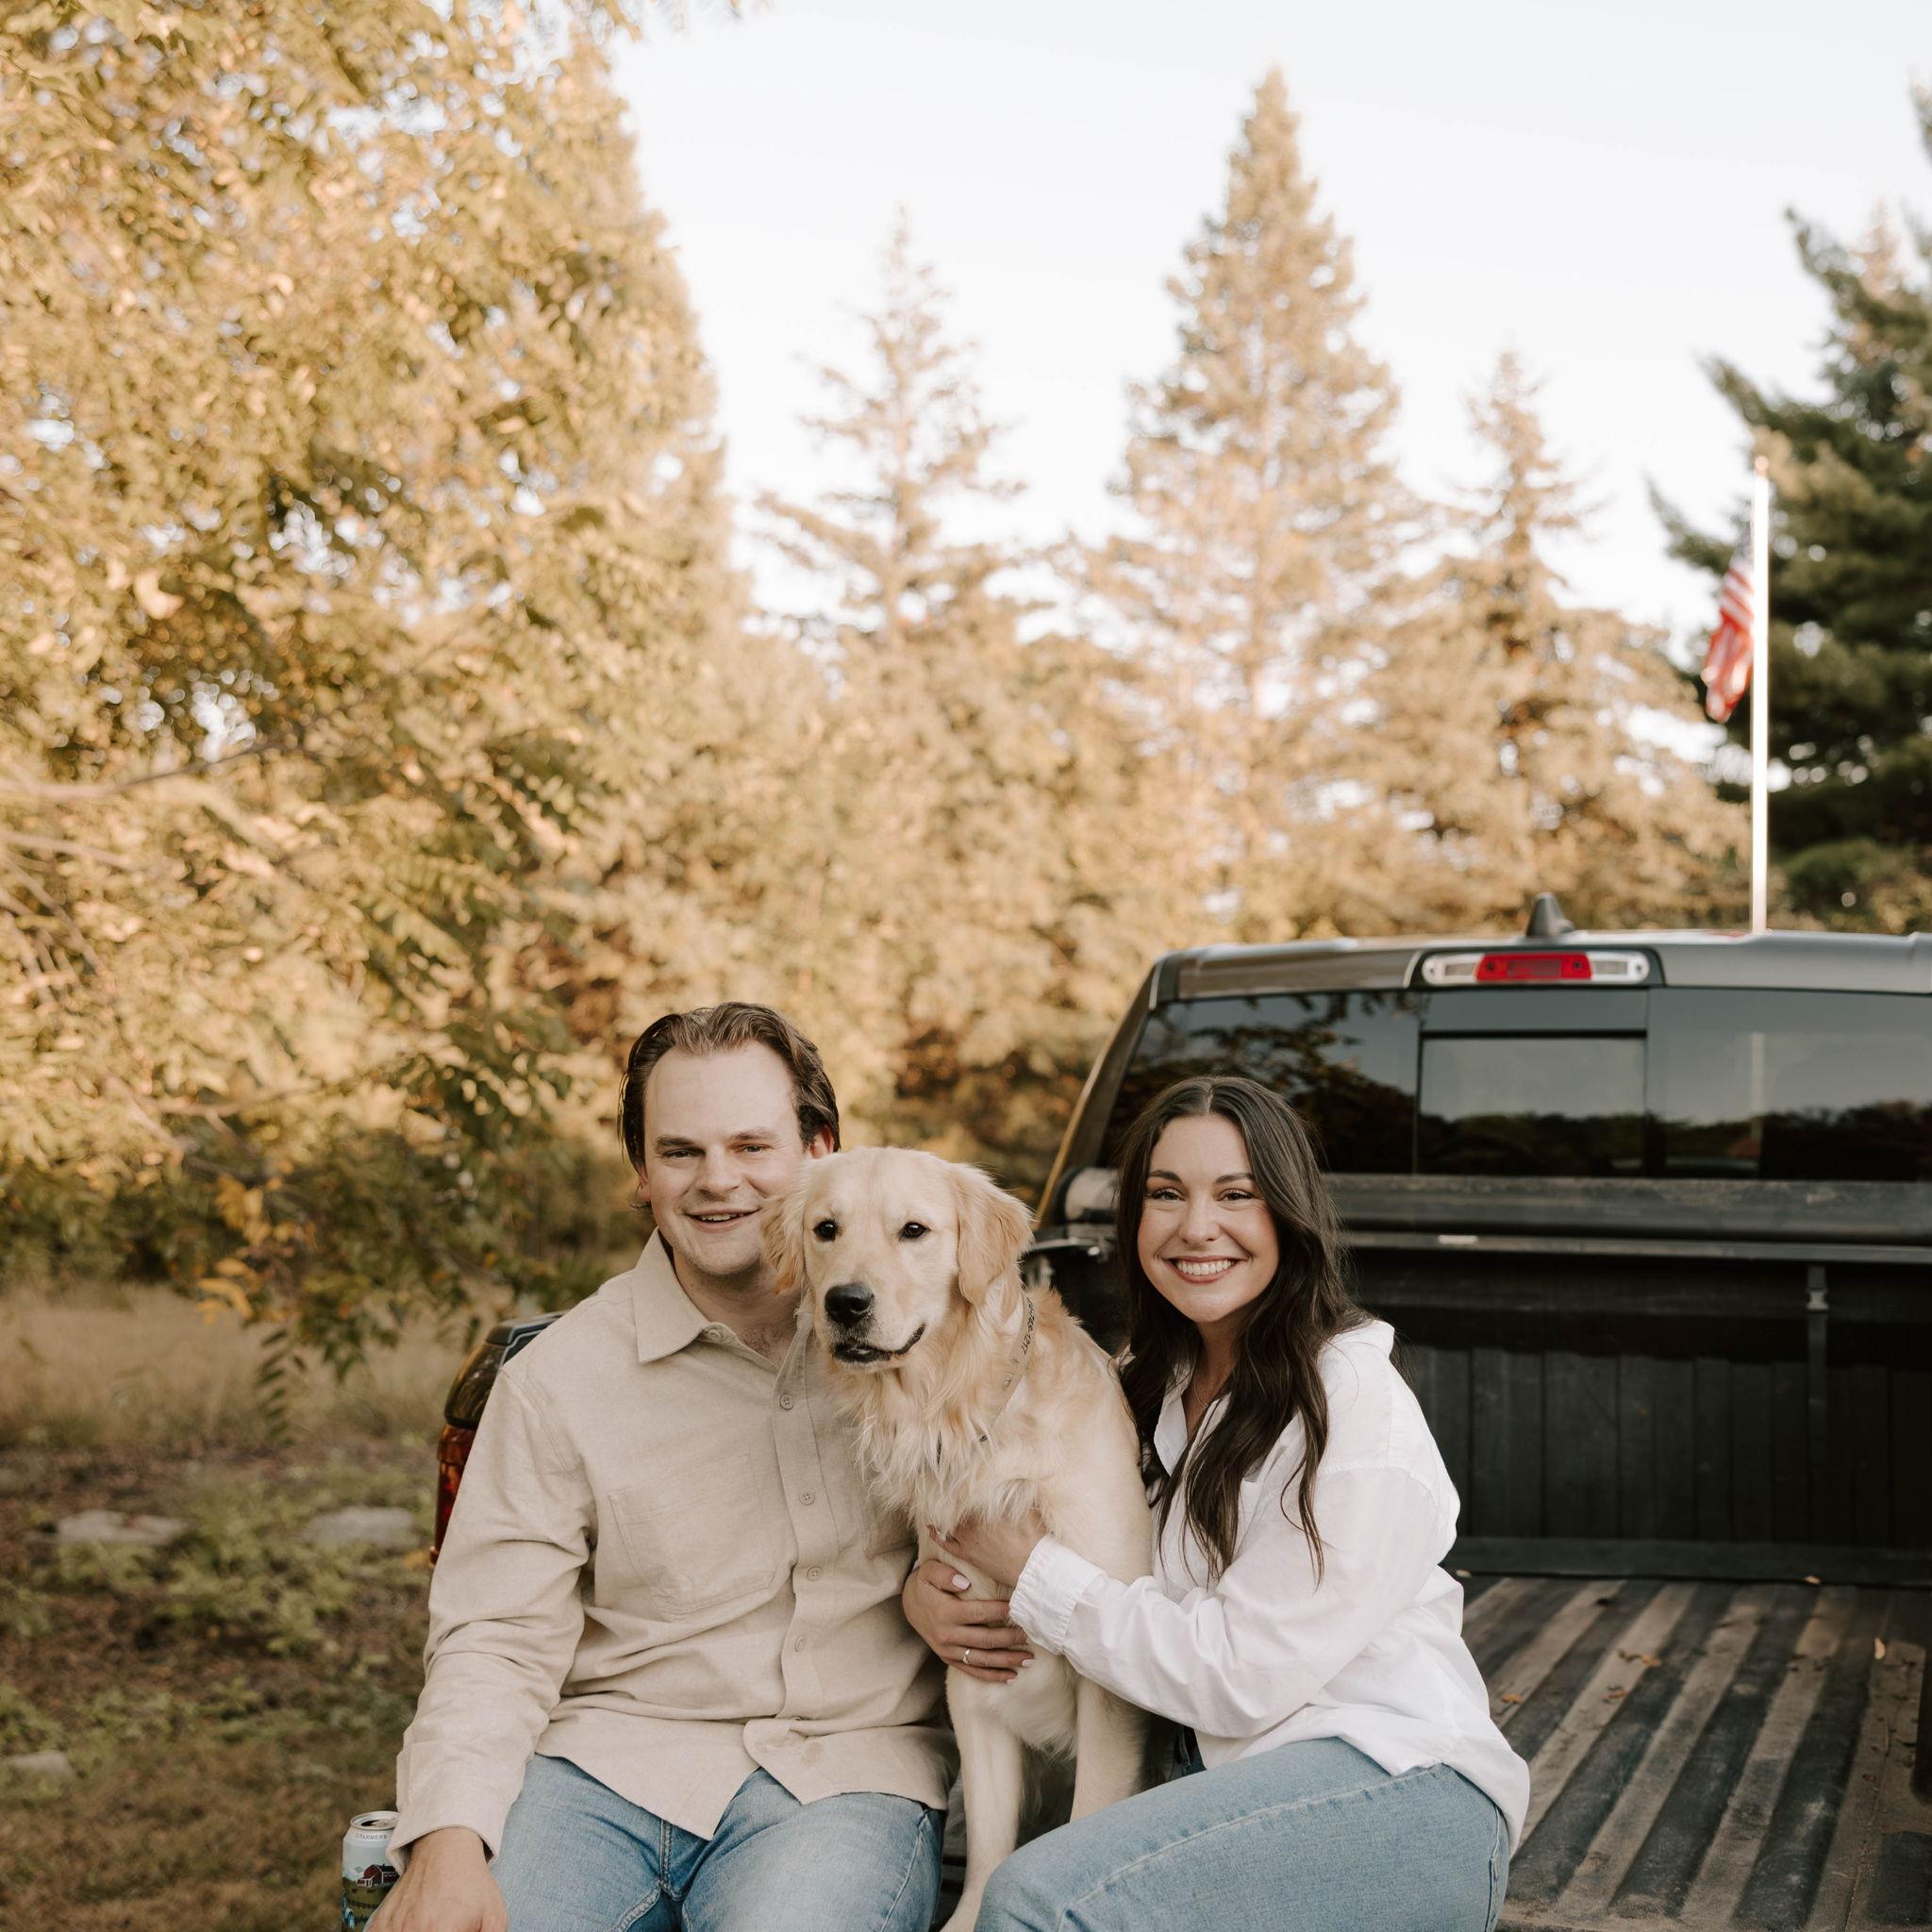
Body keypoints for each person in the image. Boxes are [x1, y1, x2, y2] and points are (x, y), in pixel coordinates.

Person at [375, 1003, 954, 1932]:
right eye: (681, 1151)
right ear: (642, 1174)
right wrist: (446, 1842)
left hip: (845, 1774)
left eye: (751, 1146)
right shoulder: (557, 1380)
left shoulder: (932, 1343)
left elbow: (1027, 1520)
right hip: (604, 1770)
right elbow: (495, 1639)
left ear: (820, 1150)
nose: (718, 1180)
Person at [907, 1074, 1529, 1932]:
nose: (1197, 1227)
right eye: (1166, 1194)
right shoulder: (1142, 1384)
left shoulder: (1353, 1406)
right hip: (1216, 1787)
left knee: (1037, 1902)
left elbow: (1240, 1680)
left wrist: (1031, 1572)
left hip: (1392, 1787)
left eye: (1236, 1194)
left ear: (1289, 1216)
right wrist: (931, 1599)